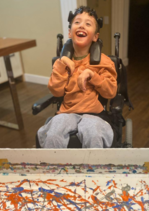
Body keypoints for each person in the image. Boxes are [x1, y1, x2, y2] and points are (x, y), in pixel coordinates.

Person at [37, 6, 118, 148]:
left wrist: (92, 76)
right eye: (77, 22)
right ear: (70, 32)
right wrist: (62, 65)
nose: (82, 25)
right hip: (67, 113)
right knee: (53, 134)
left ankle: (94, 167)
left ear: (95, 36)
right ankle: (53, 167)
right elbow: (56, 91)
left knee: (93, 133)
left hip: (94, 114)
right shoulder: (60, 63)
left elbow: (110, 92)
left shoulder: (104, 62)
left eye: (88, 24)